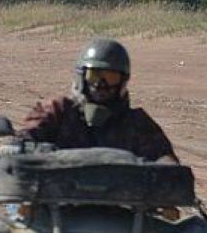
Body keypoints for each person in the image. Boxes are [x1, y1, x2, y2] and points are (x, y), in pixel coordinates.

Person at [14, 37, 178, 163]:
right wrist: (18, 145)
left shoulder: (137, 122)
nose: (101, 85)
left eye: (110, 77)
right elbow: (27, 135)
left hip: (122, 204)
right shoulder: (58, 110)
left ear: (122, 81)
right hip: (56, 201)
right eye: (94, 76)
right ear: (81, 77)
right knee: (18, 205)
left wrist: (169, 168)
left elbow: (164, 157)